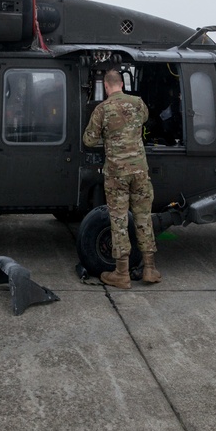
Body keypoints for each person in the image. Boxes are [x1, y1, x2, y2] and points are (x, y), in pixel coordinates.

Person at [83, 68, 160, 288]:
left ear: (107, 87)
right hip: (139, 171)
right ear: (122, 84)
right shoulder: (138, 103)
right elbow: (144, 119)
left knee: (118, 220)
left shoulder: (102, 109)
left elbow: (89, 140)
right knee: (144, 217)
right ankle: (149, 269)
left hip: (117, 173)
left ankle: (122, 273)